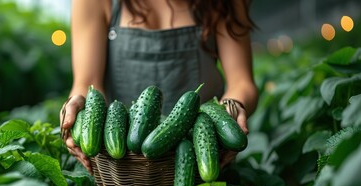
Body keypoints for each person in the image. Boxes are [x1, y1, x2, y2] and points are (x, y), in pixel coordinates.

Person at [60, 0, 258, 174]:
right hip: (120, 173)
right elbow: (87, 84)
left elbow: (242, 83)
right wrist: (78, 107)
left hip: (206, 166)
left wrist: (231, 108)